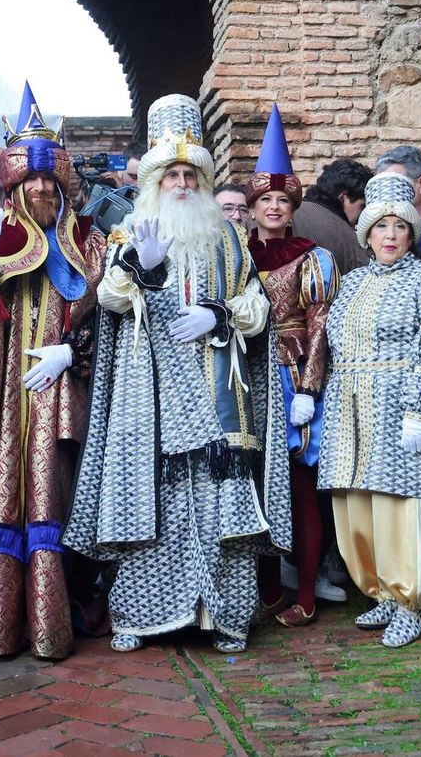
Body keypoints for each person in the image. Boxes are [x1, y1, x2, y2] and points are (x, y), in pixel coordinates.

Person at [66, 94, 287, 655]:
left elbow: (258, 309)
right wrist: (143, 266)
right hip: (152, 397)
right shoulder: (130, 234)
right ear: (156, 180)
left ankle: (225, 615)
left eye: (192, 174)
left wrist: (217, 314)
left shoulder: (231, 239)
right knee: (155, 501)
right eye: (172, 174)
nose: (183, 183)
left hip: (217, 392)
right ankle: (144, 615)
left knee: (220, 502)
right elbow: (112, 301)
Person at [0, 86, 107, 659]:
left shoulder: (90, 241)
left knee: (52, 493)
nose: (40, 190)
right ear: (14, 183)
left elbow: (107, 312)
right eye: (30, 182)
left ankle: (50, 626)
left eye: (50, 181)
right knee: (0, 492)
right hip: (3, 386)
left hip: (61, 386)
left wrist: (73, 348)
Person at [319, 172, 421, 649]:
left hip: (404, 408)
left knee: (404, 507)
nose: (391, 236)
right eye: (381, 227)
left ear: (411, 234)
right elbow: (334, 345)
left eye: (400, 228)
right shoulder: (353, 282)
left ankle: (412, 600)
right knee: (359, 506)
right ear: (367, 233)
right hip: (352, 409)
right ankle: (379, 589)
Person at [244, 106, 340, 628]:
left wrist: (308, 387)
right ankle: (264, 588)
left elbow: (320, 322)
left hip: (292, 373)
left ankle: (305, 591)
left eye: (283, 200)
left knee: (301, 486)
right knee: (256, 481)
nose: (275, 207)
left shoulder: (313, 258)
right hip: (246, 377)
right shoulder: (235, 254)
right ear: (254, 206)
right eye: (266, 200)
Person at [292, 159, 371, 274]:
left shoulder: (290, 209)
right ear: (343, 197)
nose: (364, 213)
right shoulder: (346, 237)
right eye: (362, 206)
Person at [82, 139, 142, 235]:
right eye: (133, 177)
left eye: (144, 178)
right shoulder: (105, 189)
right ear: (120, 171)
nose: (139, 183)